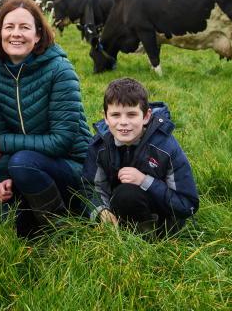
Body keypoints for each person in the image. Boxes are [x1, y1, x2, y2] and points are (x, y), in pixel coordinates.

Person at [0, 0, 92, 237]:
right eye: (9, 27)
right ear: (0, 33)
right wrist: (1, 181)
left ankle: (60, 227)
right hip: (28, 168)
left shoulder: (60, 70)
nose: (16, 34)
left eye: (24, 27)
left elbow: (61, 141)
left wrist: (6, 144)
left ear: (38, 35)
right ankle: (38, 215)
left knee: (21, 161)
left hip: (74, 166)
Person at [82, 78, 199, 236]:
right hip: (119, 212)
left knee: (127, 194)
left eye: (131, 114)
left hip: (164, 221)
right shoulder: (99, 146)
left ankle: (148, 239)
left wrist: (145, 181)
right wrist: (101, 211)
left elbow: (187, 204)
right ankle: (120, 233)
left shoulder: (166, 147)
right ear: (105, 117)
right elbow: (90, 188)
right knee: (123, 195)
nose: (123, 122)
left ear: (146, 116)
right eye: (115, 115)